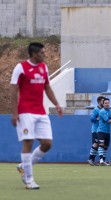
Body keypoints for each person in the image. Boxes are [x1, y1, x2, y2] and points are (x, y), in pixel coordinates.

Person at [11, 42, 63, 189]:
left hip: (40, 111)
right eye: (42, 53)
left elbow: (47, 87)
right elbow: (13, 90)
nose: (44, 55)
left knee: (47, 144)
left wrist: (57, 104)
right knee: (28, 141)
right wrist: (14, 112)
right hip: (25, 111)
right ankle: (29, 180)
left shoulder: (44, 67)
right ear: (34, 54)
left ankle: (23, 166)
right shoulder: (21, 67)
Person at [88, 96, 105, 166]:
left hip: (100, 130)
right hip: (95, 129)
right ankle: (90, 159)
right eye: (102, 101)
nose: (103, 102)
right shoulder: (96, 110)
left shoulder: (104, 110)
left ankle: (92, 160)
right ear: (99, 102)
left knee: (97, 145)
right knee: (95, 144)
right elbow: (92, 119)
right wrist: (98, 118)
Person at [97, 98, 111, 166]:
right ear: (103, 104)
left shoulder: (110, 111)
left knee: (106, 147)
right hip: (101, 131)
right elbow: (107, 120)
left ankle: (103, 160)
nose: (107, 104)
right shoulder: (102, 111)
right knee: (101, 145)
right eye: (105, 103)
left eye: (108, 103)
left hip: (107, 132)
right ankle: (101, 160)